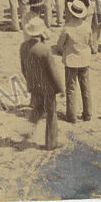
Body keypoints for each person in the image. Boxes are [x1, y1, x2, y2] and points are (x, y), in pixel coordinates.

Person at [18, 17, 64, 150]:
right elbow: (53, 72)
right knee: (51, 113)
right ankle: (51, 143)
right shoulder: (44, 50)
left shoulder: (23, 47)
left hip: (33, 84)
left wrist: (30, 82)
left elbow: (23, 69)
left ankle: (27, 131)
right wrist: (61, 88)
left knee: (38, 108)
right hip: (48, 88)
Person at [54, 0, 92, 123]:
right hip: (84, 60)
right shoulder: (87, 26)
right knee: (85, 87)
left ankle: (71, 115)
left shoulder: (67, 28)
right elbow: (90, 42)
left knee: (71, 88)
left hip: (71, 61)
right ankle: (87, 113)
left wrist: (61, 50)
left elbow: (59, 45)